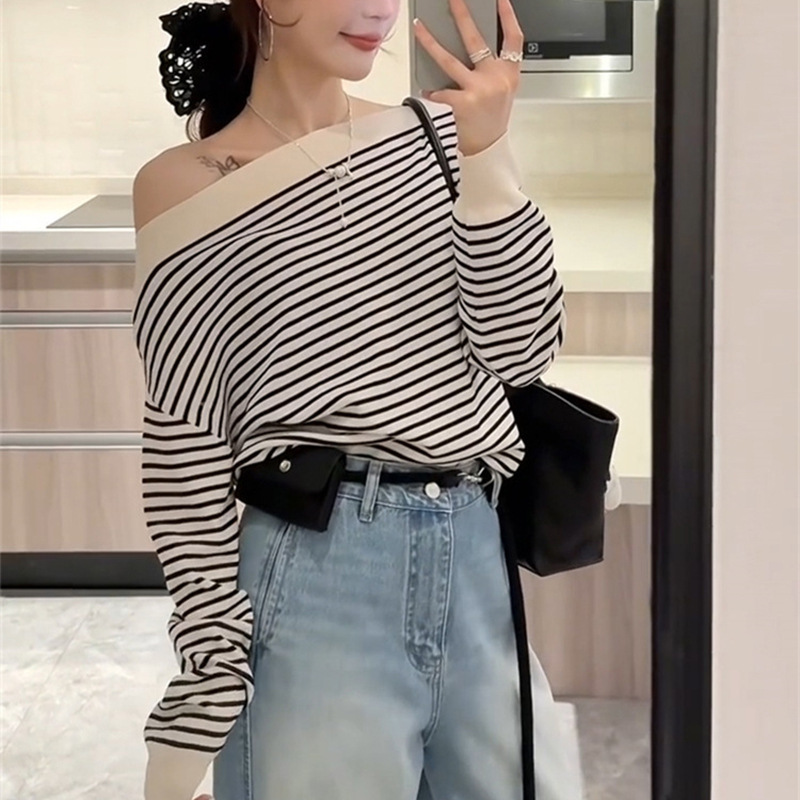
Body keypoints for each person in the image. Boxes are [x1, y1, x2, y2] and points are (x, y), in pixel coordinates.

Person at [131, 1, 583, 799]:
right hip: (316, 571)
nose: (380, 8)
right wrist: (206, 684)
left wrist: (488, 154)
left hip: (475, 550)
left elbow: (521, 351)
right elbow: (184, 443)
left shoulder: (440, 137)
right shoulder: (184, 185)